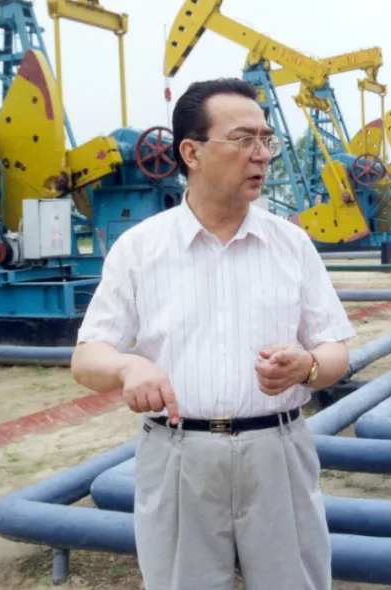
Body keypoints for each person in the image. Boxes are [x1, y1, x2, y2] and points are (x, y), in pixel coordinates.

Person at [71, 78, 354, 590]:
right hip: (179, 456)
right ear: (191, 153)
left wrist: (308, 366)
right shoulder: (141, 250)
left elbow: (336, 350)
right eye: (243, 139)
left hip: (277, 452)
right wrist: (128, 366)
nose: (261, 154)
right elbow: (87, 357)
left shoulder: (292, 246)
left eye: (266, 139)